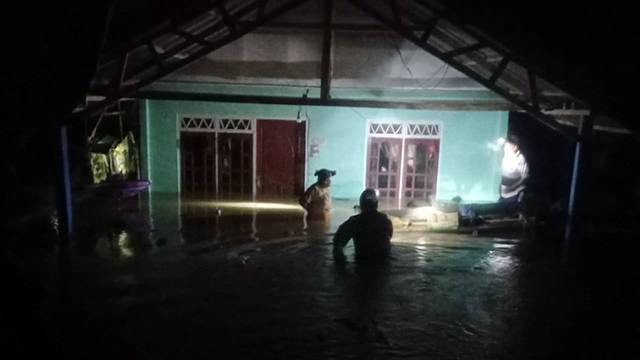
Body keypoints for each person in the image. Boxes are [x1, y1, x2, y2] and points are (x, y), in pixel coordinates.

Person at [333, 189, 393, 263]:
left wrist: (342, 264)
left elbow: (337, 243)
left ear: (361, 205)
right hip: (384, 265)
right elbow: (389, 238)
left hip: (362, 263)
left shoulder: (354, 222)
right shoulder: (385, 221)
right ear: (377, 204)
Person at [499, 135, 529, 217]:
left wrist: (513, 186)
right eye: (505, 145)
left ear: (515, 147)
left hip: (515, 193)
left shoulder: (521, 159)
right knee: (504, 215)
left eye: (508, 145)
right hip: (503, 193)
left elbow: (525, 176)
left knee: (514, 215)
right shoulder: (504, 156)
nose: (505, 147)